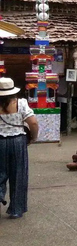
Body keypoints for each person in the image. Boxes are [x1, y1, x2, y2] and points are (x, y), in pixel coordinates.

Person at [0, 78, 39, 218]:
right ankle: (16, 209)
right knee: (19, 174)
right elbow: (33, 123)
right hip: (18, 141)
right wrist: (33, 137)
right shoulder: (21, 103)